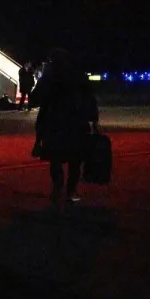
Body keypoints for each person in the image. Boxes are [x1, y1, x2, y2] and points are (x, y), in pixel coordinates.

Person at [30, 48, 98, 206]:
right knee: (76, 159)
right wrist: (93, 119)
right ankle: (71, 191)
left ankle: (57, 187)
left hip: (54, 121)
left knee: (55, 158)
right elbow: (90, 96)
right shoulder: (78, 73)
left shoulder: (50, 74)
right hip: (76, 122)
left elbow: (37, 96)